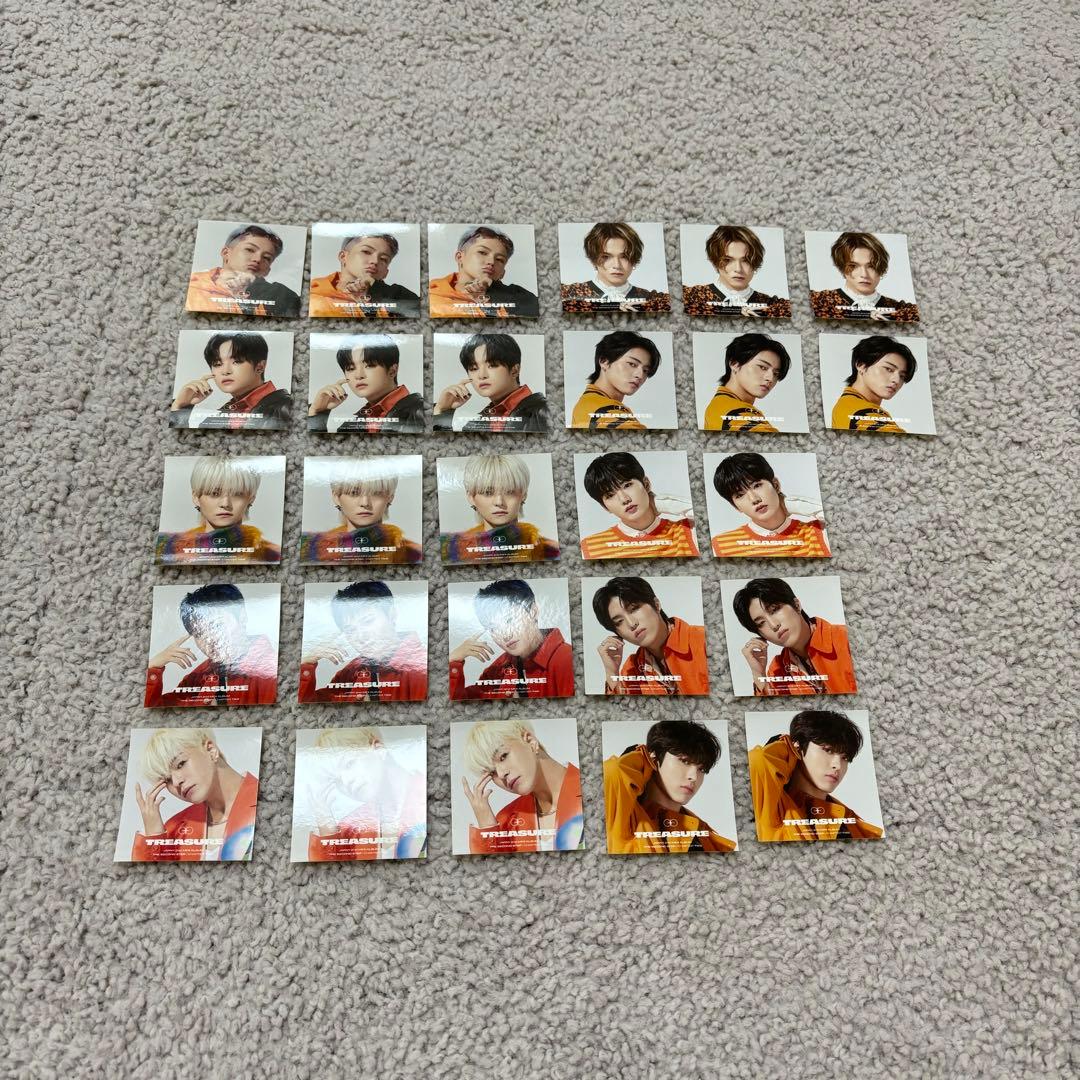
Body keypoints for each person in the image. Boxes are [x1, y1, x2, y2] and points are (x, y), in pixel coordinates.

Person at [748, 710, 884, 841]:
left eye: (845, 758)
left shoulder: (853, 825)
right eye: (828, 750)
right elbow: (759, 759)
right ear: (796, 748)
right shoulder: (771, 806)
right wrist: (789, 746)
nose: (838, 765)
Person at [604, 720, 736, 854]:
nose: (694, 777)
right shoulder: (622, 818)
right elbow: (613, 770)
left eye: (701, 769)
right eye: (684, 761)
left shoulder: (702, 835)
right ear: (653, 759)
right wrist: (643, 757)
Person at [130, 728, 260, 861]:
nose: (176, 782)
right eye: (167, 780)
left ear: (211, 750)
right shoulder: (175, 830)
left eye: (180, 764)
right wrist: (154, 840)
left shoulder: (265, 802)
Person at [302, 728, 427, 861]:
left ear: (379, 749)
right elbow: (327, 871)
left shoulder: (428, 797)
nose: (346, 781)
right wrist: (325, 823)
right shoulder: (351, 828)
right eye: (336, 780)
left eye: (349, 763)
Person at [459, 720, 583, 854]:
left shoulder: (592, 790)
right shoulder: (506, 822)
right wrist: (488, 831)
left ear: (530, 741)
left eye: (503, 756)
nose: (501, 774)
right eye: (492, 772)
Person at [144, 584, 278, 708]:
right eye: (199, 633)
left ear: (242, 617)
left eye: (217, 626)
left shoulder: (271, 669)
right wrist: (154, 667)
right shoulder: (199, 676)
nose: (209, 640)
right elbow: (155, 713)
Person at [299, 582, 428, 703]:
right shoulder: (352, 671)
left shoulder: (421, 667)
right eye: (350, 630)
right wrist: (307, 663)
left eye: (367, 621)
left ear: (392, 615)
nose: (360, 636)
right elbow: (308, 708)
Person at [449, 580, 573, 700]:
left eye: (510, 620)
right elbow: (461, 707)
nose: (506, 635)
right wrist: (454, 662)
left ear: (533, 612)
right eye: (493, 628)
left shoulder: (565, 659)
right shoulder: (499, 668)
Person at [732, 577, 857, 696]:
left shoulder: (847, 640)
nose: (774, 625)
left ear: (796, 605)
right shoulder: (776, 670)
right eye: (761, 623)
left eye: (774, 609)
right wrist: (759, 674)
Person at [593, 577, 709, 696]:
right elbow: (620, 707)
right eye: (619, 622)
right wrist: (612, 673)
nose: (632, 624)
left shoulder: (704, 641)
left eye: (634, 608)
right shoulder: (631, 669)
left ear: (656, 604)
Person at [155, 456, 281, 565]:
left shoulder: (271, 554)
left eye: (237, 494)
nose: (225, 504)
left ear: (251, 499)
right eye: (214, 493)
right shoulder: (166, 549)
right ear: (196, 497)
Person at [440, 454, 559, 564]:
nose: (499, 502)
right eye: (488, 492)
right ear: (471, 497)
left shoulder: (549, 551)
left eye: (510, 492)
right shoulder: (449, 550)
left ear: (523, 495)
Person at [579, 452, 699, 560]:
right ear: (605, 507)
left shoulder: (687, 531)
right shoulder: (589, 547)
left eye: (627, 485)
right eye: (610, 495)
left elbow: (704, 514)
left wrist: (661, 503)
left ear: (646, 484)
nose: (624, 499)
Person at [709, 453, 830, 558]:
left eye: (757, 485)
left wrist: (793, 505)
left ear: (775, 485)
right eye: (740, 495)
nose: (754, 499)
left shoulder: (817, 532)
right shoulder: (720, 546)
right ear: (735, 506)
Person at [300, 460, 421, 564]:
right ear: (336, 497)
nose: (365, 503)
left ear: (390, 498)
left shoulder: (414, 554)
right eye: (354, 493)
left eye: (376, 493)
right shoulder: (308, 549)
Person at [169, 332, 293, 431]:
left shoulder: (286, 407)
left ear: (260, 367)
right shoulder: (215, 419)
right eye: (218, 364)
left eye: (236, 361)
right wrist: (181, 407)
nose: (225, 371)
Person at [433, 333, 548, 433]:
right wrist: (442, 412)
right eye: (473, 368)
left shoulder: (543, 411)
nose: (482, 375)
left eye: (492, 365)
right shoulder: (474, 425)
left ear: (514, 370)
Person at [307, 335, 424, 434]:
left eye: (369, 365)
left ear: (392, 371)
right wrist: (317, 414)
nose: (359, 375)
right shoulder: (349, 427)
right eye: (350, 368)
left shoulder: (421, 411)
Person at [186, 224, 300, 316]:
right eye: (250, 250)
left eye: (266, 258)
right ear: (226, 253)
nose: (257, 259)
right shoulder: (193, 285)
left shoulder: (281, 296)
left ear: (268, 270)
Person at [429, 226, 539, 318]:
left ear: (502, 272)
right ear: (459, 257)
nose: (491, 262)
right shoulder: (432, 294)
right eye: (482, 252)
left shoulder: (520, 298)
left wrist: (483, 302)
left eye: (500, 259)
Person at [683, 225, 791, 318]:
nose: (738, 269)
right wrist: (736, 310)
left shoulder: (772, 304)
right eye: (728, 260)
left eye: (746, 261)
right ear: (715, 261)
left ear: (755, 262)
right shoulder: (691, 296)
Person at [561, 222, 671, 313]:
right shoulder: (569, 293)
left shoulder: (651, 299)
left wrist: (645, 307)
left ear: (634, 259)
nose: (617, 265)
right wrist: (612, 306)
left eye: (624, 257)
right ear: (593, 259)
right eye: (606, 257)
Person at [810, 231, 919, 322]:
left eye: (871, 266)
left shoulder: (901, 309)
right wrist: (867, 314)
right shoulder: (820, 301)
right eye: (853, 266)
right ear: (842, 267)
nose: (864, 274)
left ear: (881, 268)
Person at [308, 232, 420, 319]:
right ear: (343, 257)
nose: (375, 261)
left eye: (383, 259)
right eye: (366, 252)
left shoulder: (398, 296)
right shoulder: (315, 293)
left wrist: (368, 300)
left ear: (385, 272)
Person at [570, 330, 661, 431]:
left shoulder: (589, 404)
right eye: (632, 364)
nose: (640, 375)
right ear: (604, 361)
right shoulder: (601, 410)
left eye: (645, 370)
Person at [701, 333, 790, 433]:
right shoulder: (733, 412)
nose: (770, 378)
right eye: (762, 367)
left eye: (776, 373)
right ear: (735, 364)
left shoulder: (721, 406)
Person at [830, 336, 917, 434]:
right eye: (889, 369)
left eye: (902, 376)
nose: (897, 380)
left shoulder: (848, 405)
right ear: (861, 365)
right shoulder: (861, 413)